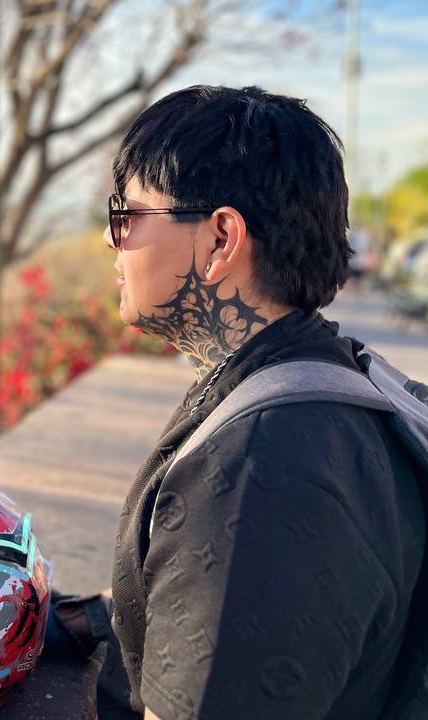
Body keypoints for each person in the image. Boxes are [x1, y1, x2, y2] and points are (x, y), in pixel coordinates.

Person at [84, 86, 423, 720]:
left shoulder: (257, 470)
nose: (111, 239)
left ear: (221, 239)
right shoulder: (325, 374)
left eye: (127, 214)